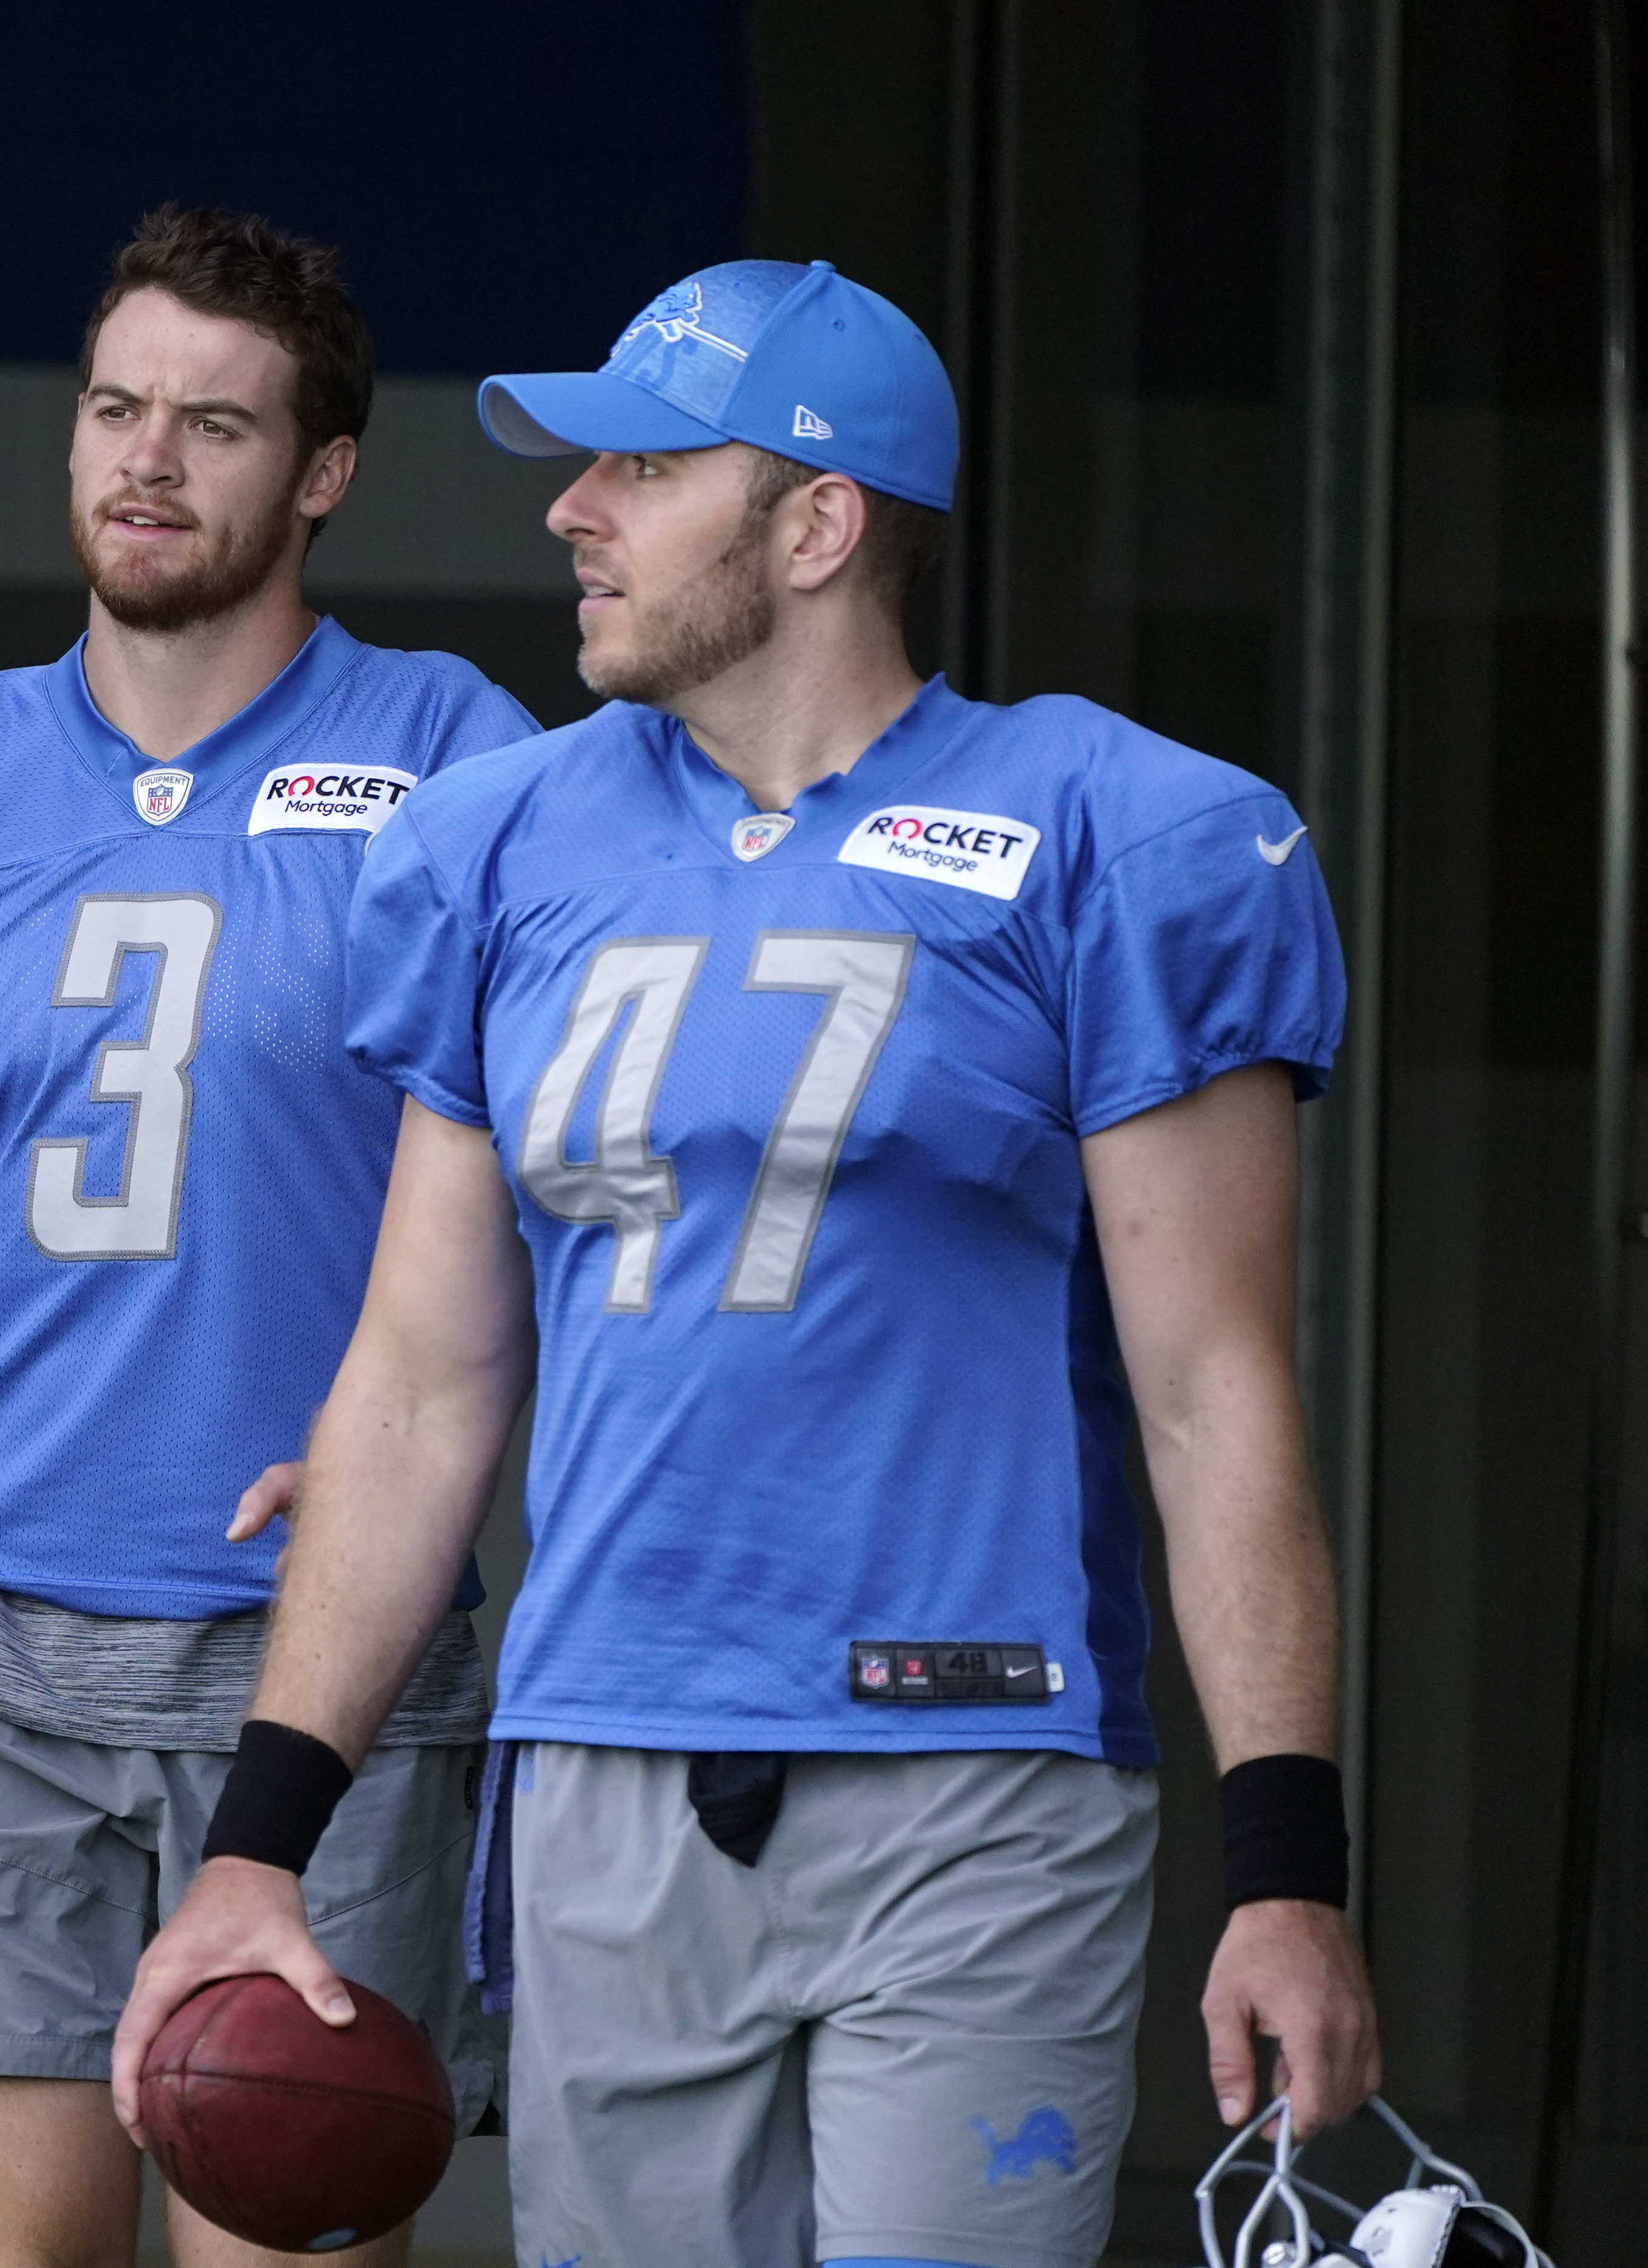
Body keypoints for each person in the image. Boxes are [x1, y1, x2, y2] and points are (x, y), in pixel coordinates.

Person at [116, 259, 1381, 2268]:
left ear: (817, 521)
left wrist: (1287, 1868)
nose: (571, 511)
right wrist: (260, 1846)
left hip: (979, 1755)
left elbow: (1214, 1393)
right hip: (607, 1751)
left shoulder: (1122, 834)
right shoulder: (497, 842)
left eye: (640, 461)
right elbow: (426, 1380)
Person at [0, 205, 540, 2268]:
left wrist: (425, 1464)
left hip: (315, 1659)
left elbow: (582, 1199)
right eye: (115, 407)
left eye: (214, 422)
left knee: (276, 2242)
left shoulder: (461, 769)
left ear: (326, 472)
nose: (149, 461)